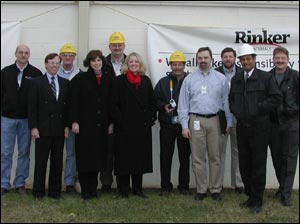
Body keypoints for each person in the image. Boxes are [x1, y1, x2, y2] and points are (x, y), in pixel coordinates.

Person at [229, 44, 282, 214]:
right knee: (244, 164)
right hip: (242, 128)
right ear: (240, 61)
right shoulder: (236, 79)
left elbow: (276, 98)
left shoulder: (265, 78)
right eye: (243, 59)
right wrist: (237, 112)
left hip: (260, 128)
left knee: (258, 164)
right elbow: (231, 100)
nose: (246, 61)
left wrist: (258, 108)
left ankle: (257, 201)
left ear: (254, 59)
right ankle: (250, 196)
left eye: (248, 59)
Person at [178, 47, 232, 202]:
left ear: (211, 59)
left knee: (215, 157)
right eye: (200, 58)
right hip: (195, 121)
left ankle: (215, 189)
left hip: (215, 120)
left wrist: (228, 122)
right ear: (196, 60)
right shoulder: (189, 79)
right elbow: (183, 104)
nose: (203, 60)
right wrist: (184, 125)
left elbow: (226, 102)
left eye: (205, 58)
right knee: (197, 158)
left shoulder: (221, 79)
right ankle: (201, 189)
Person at [111, 52, 157, 198]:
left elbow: (152, 103)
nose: (133, 64)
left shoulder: (146, 81)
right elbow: (113, 105)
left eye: (136, 62)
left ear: (140, 64)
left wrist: (149, 120)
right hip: (124, 128)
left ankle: (137, 189)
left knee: (140, 159)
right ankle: (123, 190)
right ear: (126, 64)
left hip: (142, 128)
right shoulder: (119, 81)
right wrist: (120, 122)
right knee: (124, 160)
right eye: (131, 62)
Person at [70, 50, 114, 200]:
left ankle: (93, 190)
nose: (97, 63)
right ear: (89, 63)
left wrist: (111, 123)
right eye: (93, 61)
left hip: (102, 126)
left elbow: (111, 103)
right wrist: (74, 121)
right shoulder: (80, 79)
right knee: (84, 159)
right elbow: (73, 102)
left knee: (97, 159)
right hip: (84, 126)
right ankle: (85, 191)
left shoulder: (108, 79)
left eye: (99, 60)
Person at [1, 44, 42, 196]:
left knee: (24, 153)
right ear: (15, 54)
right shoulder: (6, 72)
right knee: (5, 152)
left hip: (26, 119)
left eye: (26, 53)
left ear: (29, 55)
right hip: (7, 119)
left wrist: (35, 121)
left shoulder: (35, 73)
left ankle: (20, 184)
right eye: (21, 52)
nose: (23, 55)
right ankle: (4, 183)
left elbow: (38, 98)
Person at [28, 53, 70, 200]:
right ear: (46, 64)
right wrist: (33, 127)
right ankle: (38, 192)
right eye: (51, 63)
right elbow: (32, 107)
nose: (54, 65)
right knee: (41, 162)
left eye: (57, 63)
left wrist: (66, 126)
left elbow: (67, 108)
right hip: (42, 129)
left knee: (57, 162)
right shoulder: (36, 83)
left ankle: (55, 192)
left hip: (59, 129)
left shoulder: (65, 83)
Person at [154, 50, 191, 196]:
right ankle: (165, 187)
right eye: (174, 64)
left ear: (184, 65)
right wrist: (163, 106)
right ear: (170, 65)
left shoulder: (190, 81)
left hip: (184, 126)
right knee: (165, 156)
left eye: (179, 64)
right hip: (167, 125)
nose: (177, 67)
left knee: (184, 157)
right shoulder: (163, 82)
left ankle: (184, 186)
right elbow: (154, 100)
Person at [268, 46, 299, 206]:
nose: (279, 61)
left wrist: (294, 110)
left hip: (291, 124)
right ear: (273, 59)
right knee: (276, 158)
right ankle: (282, 187)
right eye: (277, 58)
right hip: (273, 124)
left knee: (290, 159)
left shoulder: (295, 76)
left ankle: (286, 195)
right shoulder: (268, 77)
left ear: (288, 60)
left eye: (282, 58)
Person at [99, 32, 127, 193]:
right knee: (107, 152)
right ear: (109, 46)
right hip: (107, 114)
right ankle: (106, 183)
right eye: (114, 45)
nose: (117, 47)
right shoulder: (102, 62)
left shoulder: (131, 61)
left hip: (125, 114)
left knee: (123, 151)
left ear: (124, 46)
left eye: (120, 44)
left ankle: (123, 183)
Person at [215, 47, 244, 194]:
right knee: (219, 152)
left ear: (235, 58)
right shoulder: (215, 73)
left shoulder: (242, 73)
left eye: (230, 56)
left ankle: (238, 184)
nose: (228, 59)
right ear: (221, 58)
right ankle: (217, 185)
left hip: (238, 117)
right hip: (221, 118)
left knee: (237, 151)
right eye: (225, 56)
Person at [58, 43, 81, 194]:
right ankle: (55, 183)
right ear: (60, 57)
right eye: (65, 55)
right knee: (56, 152)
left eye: (70, 55)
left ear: (74, 57)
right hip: (55, 120)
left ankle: (69, 183)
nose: (67, 58)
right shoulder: (54, 72)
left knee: (71, 153)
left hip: (72, 120)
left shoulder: (80, 74)